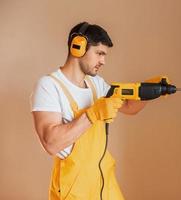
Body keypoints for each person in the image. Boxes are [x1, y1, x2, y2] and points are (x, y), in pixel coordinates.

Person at [31, 22, 160, 200]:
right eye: (99, 53)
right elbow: (51, 143)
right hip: (74, 186)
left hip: (104, 179)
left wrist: (152, 90)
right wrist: (93, 114)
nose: (103, 61)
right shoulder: (49, 86)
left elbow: (129, 107)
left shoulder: (96, 83)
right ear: (78, 47)